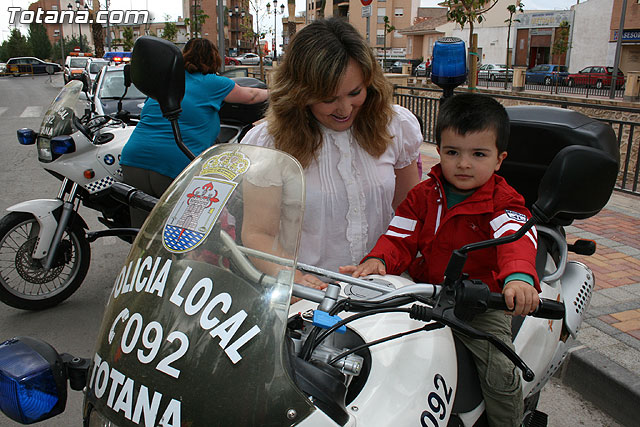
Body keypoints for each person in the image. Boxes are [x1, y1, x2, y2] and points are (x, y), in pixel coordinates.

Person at [340, 93, 540, 427]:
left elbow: (516, 240)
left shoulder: (503, 201)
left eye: (478, 154)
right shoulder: (424, 194)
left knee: (500, 368)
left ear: (499, 159)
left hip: (479, 302)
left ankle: (508, 422)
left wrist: (518, 277)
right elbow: (399, 235)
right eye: (452, 152)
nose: (463, 163)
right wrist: (379, 259)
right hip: (427, 290)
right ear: (440, 150)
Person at [240, 18, 422, 289]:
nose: (345, 109)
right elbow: (257, 233)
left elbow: (409, 212)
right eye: (328, 98)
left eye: (354, 93)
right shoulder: (269, 143)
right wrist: (295, 281)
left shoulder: (394, 126)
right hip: (309, 296)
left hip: (383, 288)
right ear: (299, 93)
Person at [121, 38, 269, 201]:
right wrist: (277, 93)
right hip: (175, 163)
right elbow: (252, 96)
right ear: (214, 59)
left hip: (133, 158)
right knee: (181, 223)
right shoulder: (213, 82)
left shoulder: (166, 80)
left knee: (141, 222)